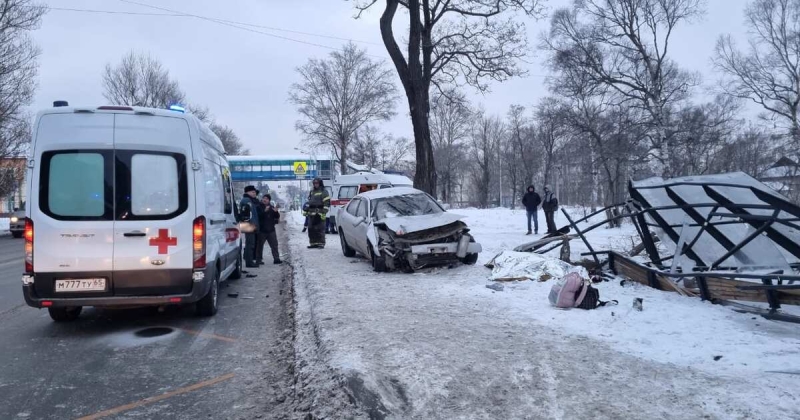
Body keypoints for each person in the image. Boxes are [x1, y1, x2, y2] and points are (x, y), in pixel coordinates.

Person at [303, 178, 330, 249]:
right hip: (311, 213)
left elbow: (327, 203)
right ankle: (313, 243)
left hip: (320, 213)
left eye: (317, 183)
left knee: (320, 229)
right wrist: (306, 210)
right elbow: (309, 202)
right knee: (311, 229)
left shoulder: (324, 192)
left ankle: (321, 243)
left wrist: (324, 212)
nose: (315, 184)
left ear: (320, 183)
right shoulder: (312, 192)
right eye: (314, 183)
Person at [239, 185, 261, 267]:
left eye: (255, 192)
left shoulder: (250, 200)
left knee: (250, 244)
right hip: (248, 224)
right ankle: (249, 262)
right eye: (253, 192)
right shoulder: (247, 200)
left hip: (249, 224)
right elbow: (247, 214)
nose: (255, 193)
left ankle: (250, 261)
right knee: (250, 244)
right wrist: (252, 224)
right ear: (247, 192)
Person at [258, 194, 282, 264]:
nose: (265, 200)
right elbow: (258, 216)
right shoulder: (259, 207)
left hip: (271, 230)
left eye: (267, 199)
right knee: (259, 246)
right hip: (262, 230)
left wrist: (276, 211)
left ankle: (276, 259)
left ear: (269, 200)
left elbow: (277, 217)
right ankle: (259, 260)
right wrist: (264, 211)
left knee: (274, 245)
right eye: (264, 198)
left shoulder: (272, 207)